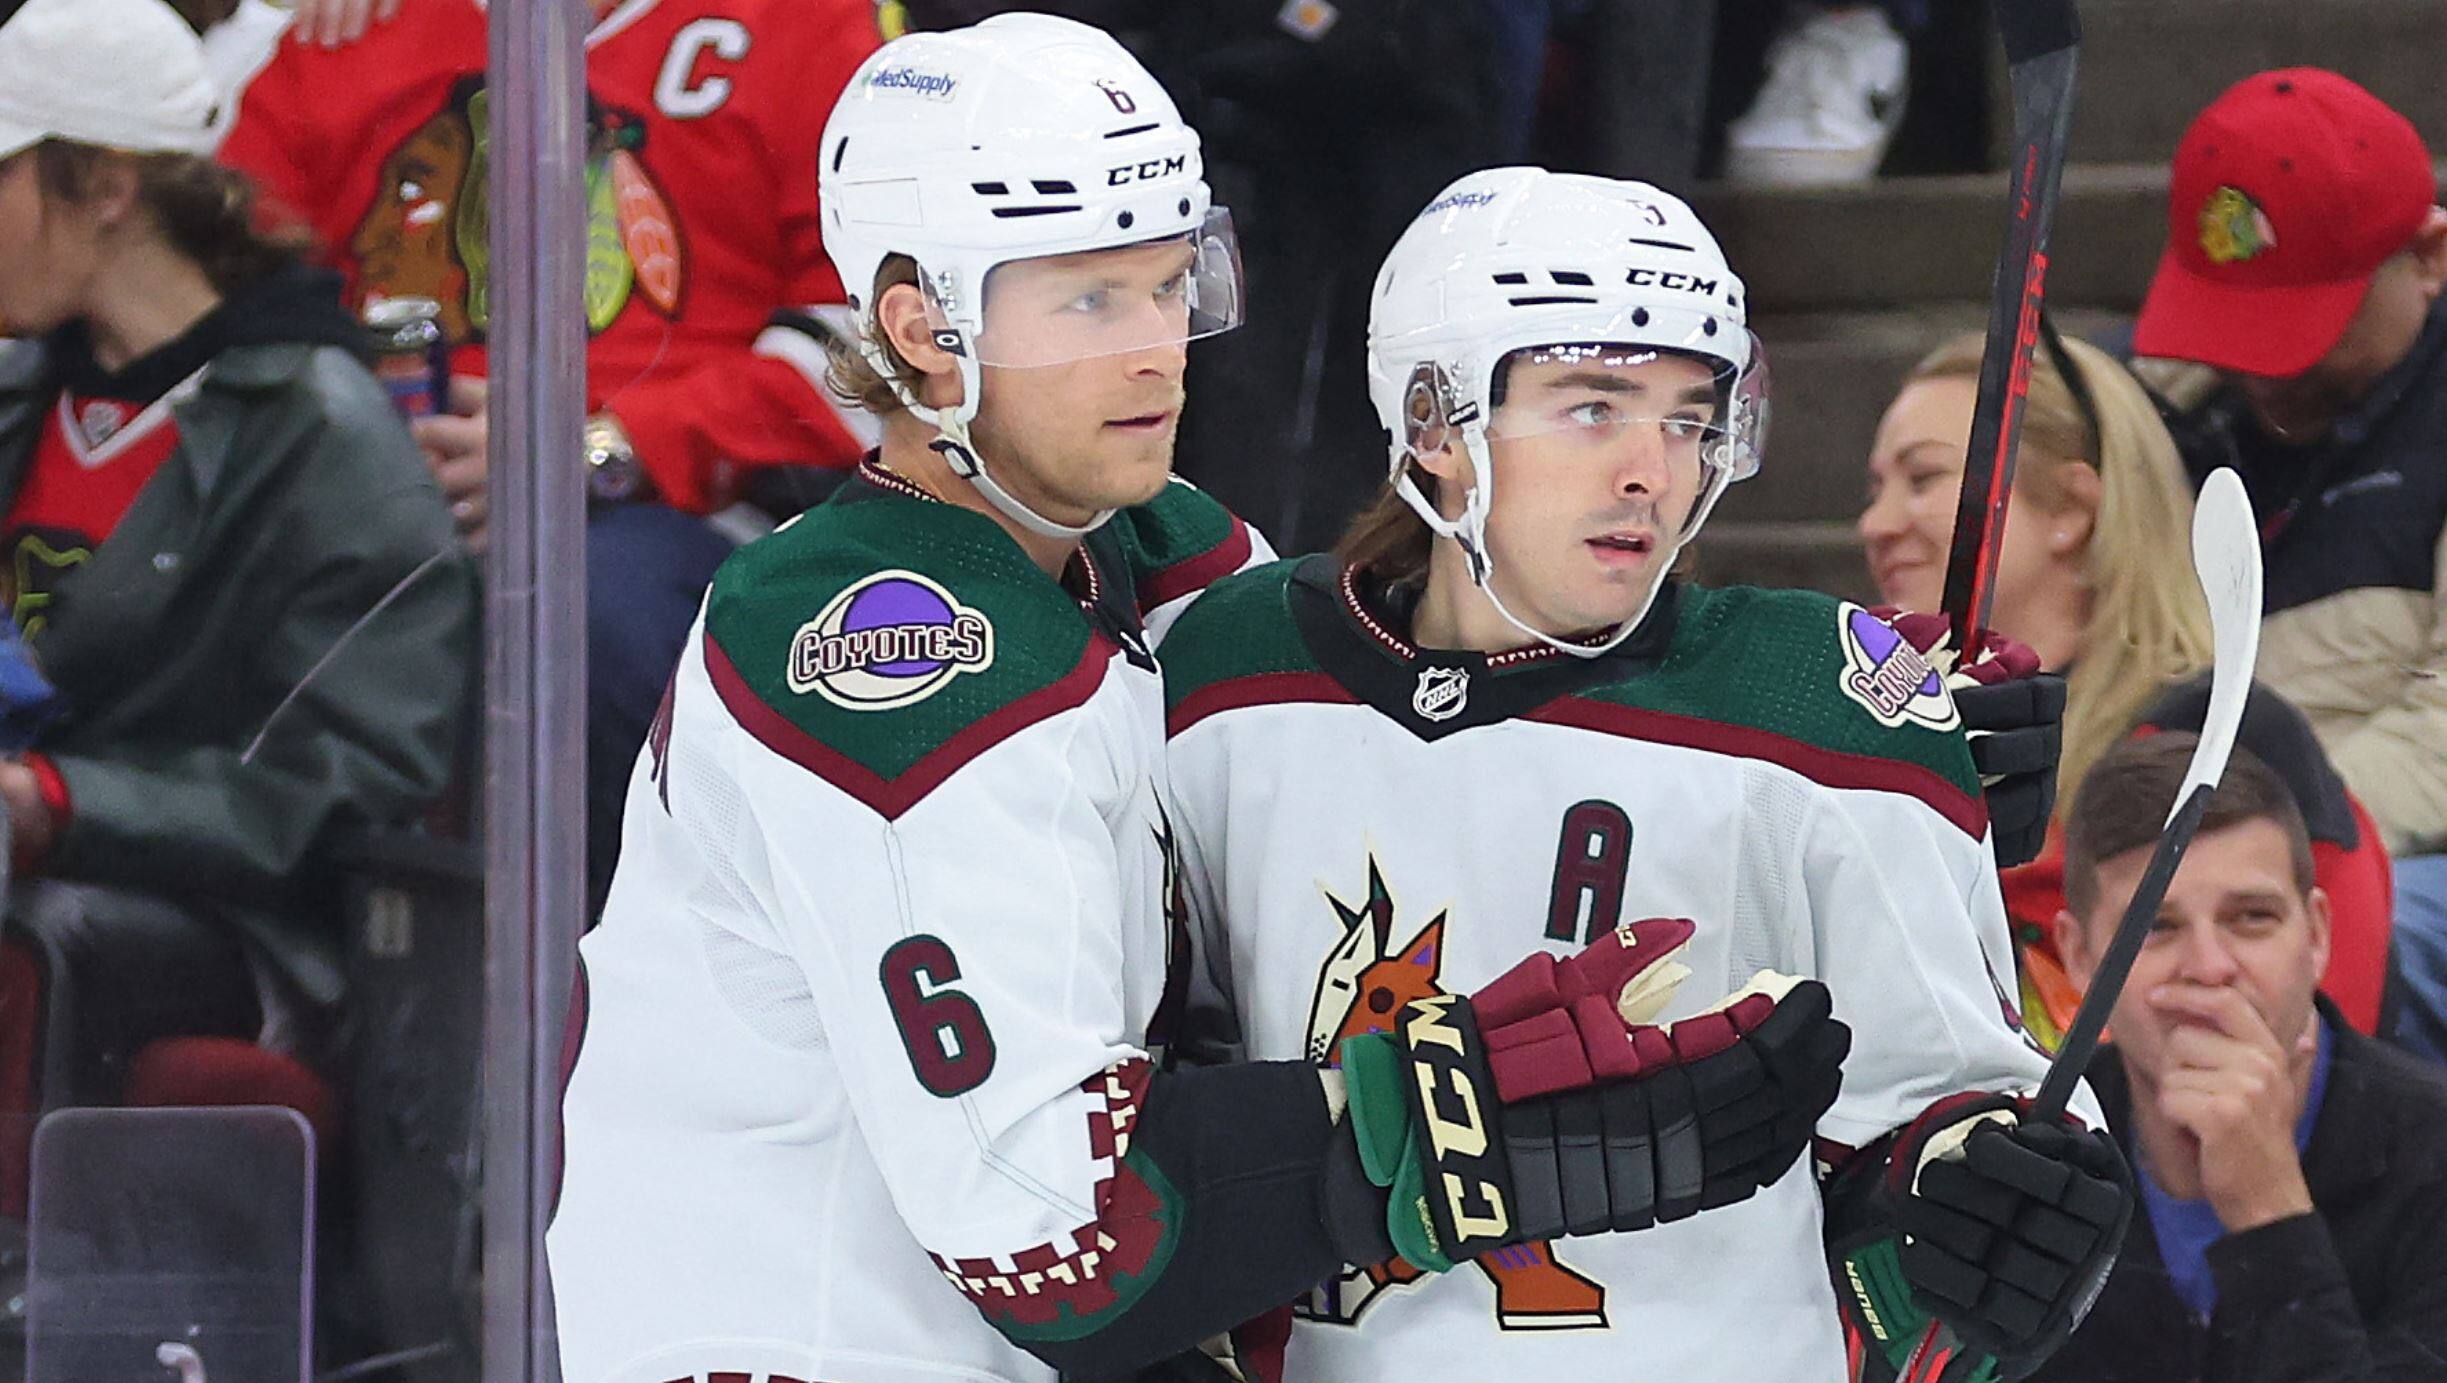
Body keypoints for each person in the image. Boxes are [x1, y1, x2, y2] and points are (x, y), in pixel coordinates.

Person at [546, 20, 1850, 1383]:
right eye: (1089, 302)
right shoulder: (883, 651)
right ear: (924, 331)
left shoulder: (1135, 540)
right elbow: (1061, 1242)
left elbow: (1428, 681)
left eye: (1172, 284)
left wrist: (1859, 700)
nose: (1157, 351)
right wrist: (1464, 1121)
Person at [1159, 166, 2131, 1383]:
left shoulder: (1818, 709)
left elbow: (1952, 1095)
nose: (1652, 472)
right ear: (1433, 423)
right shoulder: (1223, 676)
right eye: (1592, 407)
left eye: (1686, 418)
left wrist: (1983, 1192)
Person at [217, 0, 885, 904]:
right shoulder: (340, 37)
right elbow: (218, 307)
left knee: (586, 623)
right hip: (374, 503)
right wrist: (360, 457)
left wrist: (605, 449)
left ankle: (627, 972)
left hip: (685, 517)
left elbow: (872, 343)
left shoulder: (804, 27)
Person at [0, 0, 471, 1156]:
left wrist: (55, 805)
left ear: (106, 187)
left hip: (216, 928)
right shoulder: (24, 393)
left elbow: (345, 786)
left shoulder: (325, 435)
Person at [2127, 67, 2447, 1065]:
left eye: (2308, 322)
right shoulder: (2139, 409)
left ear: (2429, 257)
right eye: (2232, 319)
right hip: (2179, 838)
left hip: (2382, 848)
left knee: (2365, 935)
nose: (2265, 367)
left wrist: (2257, 848)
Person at [2033, 732, 2447, 1381]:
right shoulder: (2035, 1153)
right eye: (2155, 926)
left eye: (2251, 917)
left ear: (2316, 935)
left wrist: (2267, 1211)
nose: (2208, 967)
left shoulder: (2434, 1156)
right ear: (2080, 957)